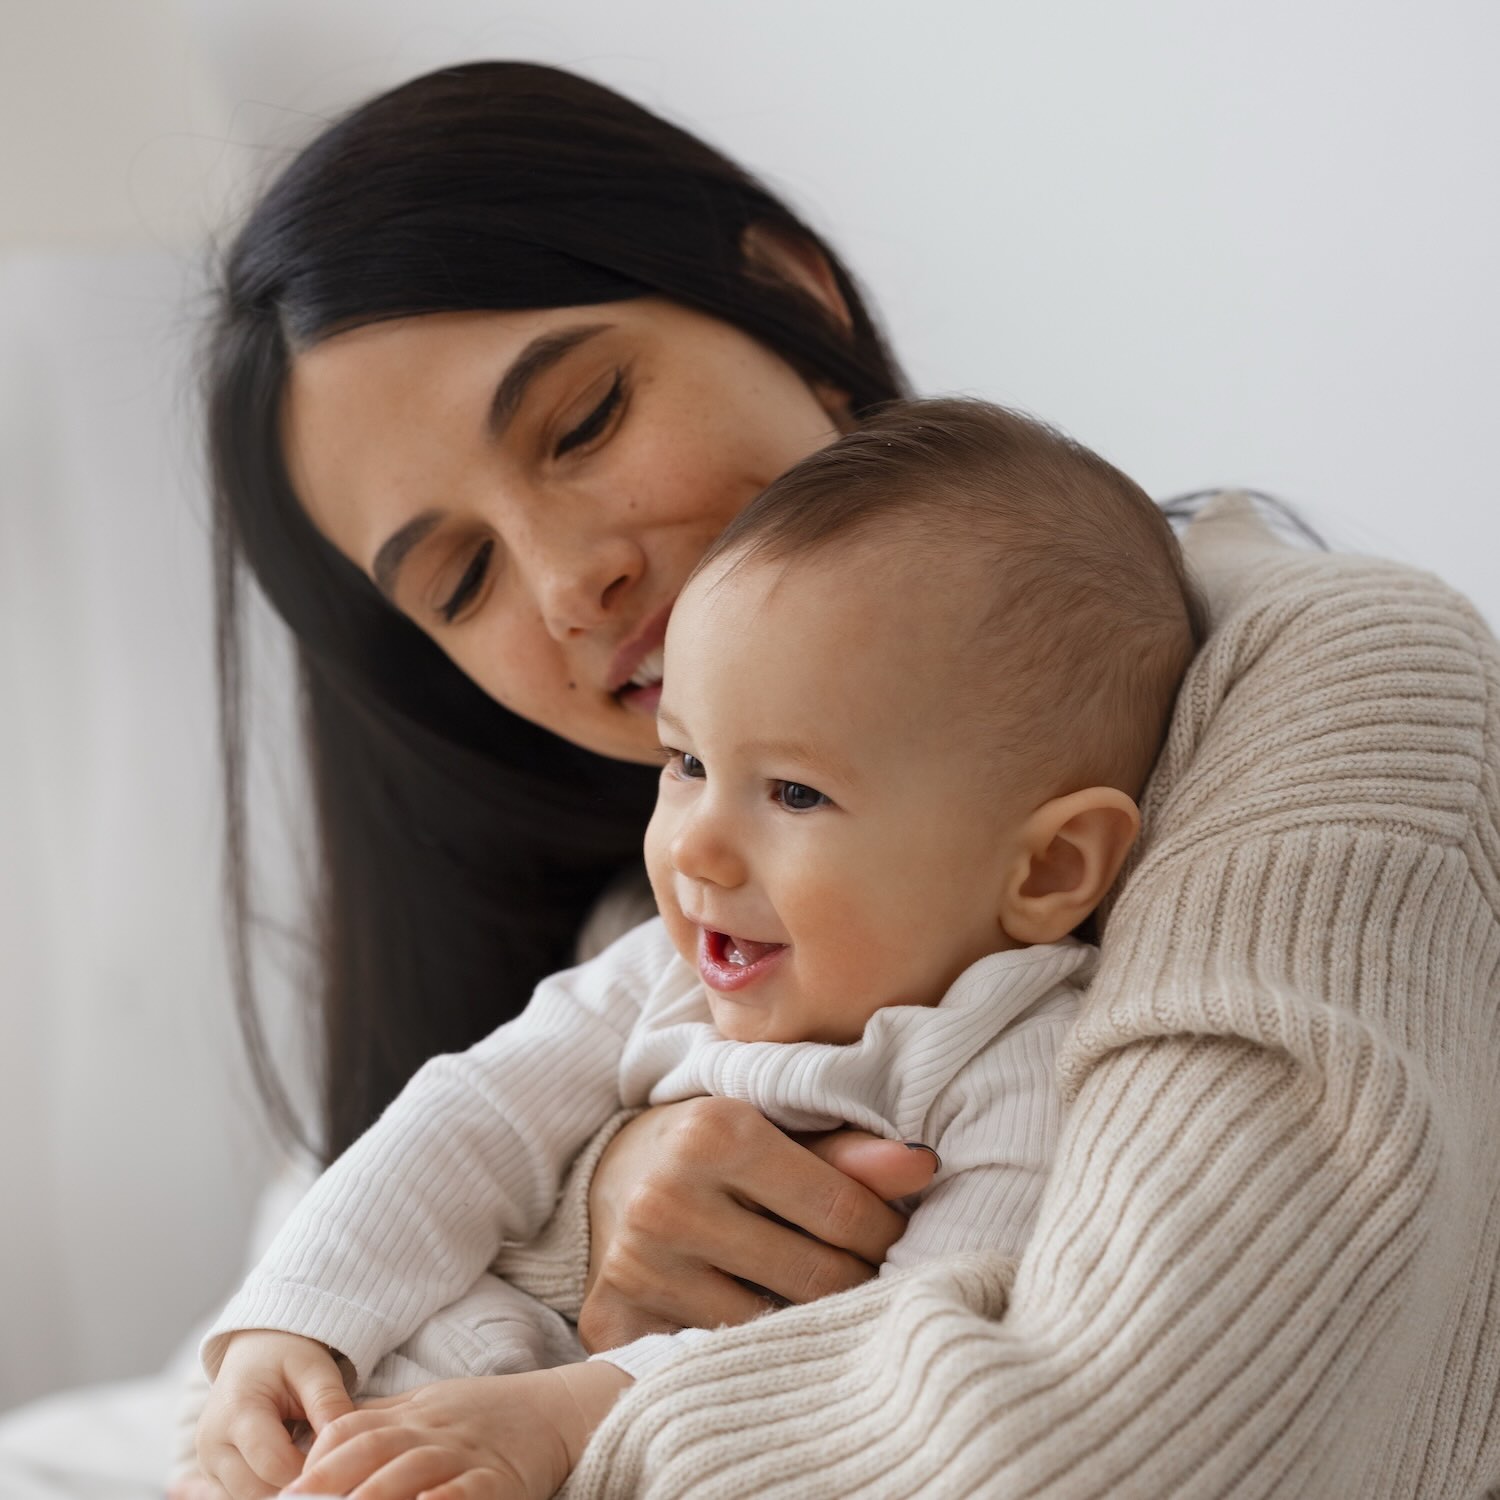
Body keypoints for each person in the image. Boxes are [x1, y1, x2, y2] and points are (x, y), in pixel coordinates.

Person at [174, 57, 1500, 1500]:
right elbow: (303, 1320)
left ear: (798, 301)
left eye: (583, 421)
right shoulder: (667, 904)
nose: (571, 584)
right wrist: (594, 1204)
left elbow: (1109, 1442)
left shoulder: (1323, 664)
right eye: (464, 575)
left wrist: (580, 1404)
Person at [194, 398, 1203, 1499]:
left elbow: (897, 1357)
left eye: (796, 791)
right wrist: (291, 1322)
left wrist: (565, 1414)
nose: (698, 852)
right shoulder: (664, 968)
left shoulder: (1010, 1066)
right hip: (457, 1388)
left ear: (1049, 870)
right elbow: (468, 1119)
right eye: (684, 764)